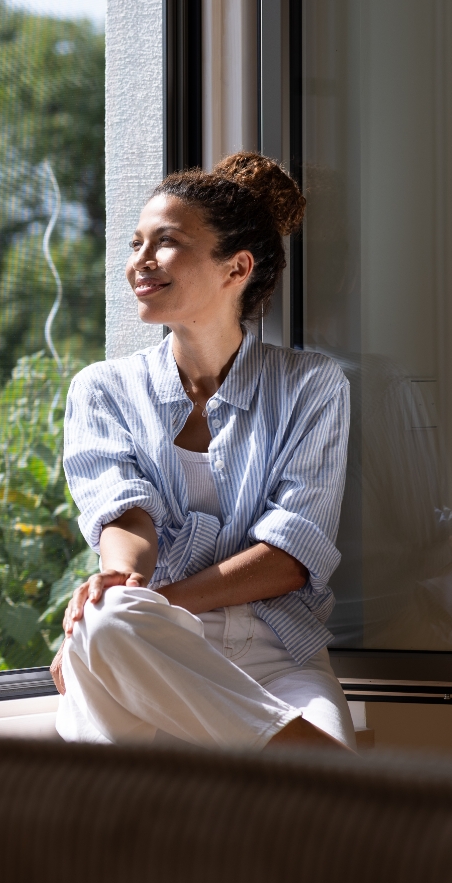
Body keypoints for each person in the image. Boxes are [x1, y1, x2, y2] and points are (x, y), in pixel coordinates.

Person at [51, 152, 356, 752]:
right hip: (152, 656)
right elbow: (126, 517)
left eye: (165, 242)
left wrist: (153, 606)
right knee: (108, 618)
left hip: (275, 655)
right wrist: (122, 584)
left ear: (236, 267)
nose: (139, 260)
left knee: (116, 622)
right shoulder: (102, 389)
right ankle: (313, 769)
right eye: (136, 243)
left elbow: (289, 558)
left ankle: (306, 765)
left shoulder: (312, 386)